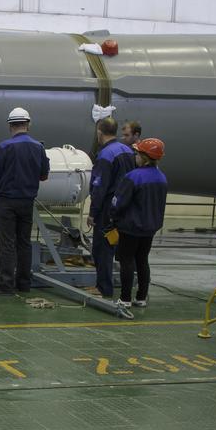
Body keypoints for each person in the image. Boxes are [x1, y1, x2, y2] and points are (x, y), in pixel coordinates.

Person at [0, 106, 50, 295]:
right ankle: (24, 284)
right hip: (27, 202)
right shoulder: (38, 147)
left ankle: (6, 285)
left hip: (6, 202)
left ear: (10, 126)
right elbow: (44, 175)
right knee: (24, 242)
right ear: (28, 124)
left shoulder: (4, 147)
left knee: (7, 244)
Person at [107, 137, 167, 318]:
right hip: (150, 228)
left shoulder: (133, 177)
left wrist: (113, 216)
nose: (135, 156)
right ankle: (141, 297)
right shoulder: (162, 178)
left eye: (137, 153)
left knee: (126, 261)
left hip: (131, 227)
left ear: (144, 157)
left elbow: (119, 202)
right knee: (142, 260)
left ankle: (125, 298)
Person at [86, 118, 135, 298]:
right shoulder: (128, 151)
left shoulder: (106, 154)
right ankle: (122, 286)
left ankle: (103, 287)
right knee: (121, 248)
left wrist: (93, 213)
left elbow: (100, 187)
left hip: (107, 208)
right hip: (126, 206)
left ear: (99, 132)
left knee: (102, 247)